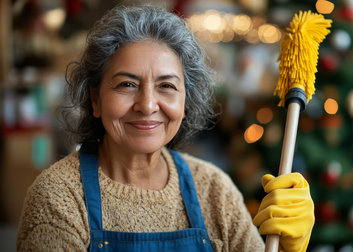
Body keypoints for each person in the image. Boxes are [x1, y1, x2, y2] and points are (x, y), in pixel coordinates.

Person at [17, 4, 314, 252]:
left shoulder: (213, 190)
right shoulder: (59, 198)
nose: (147, 105)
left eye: (167, 86)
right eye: (127, 84)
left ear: (186, 101)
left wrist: (291, 249)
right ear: (95, 100)